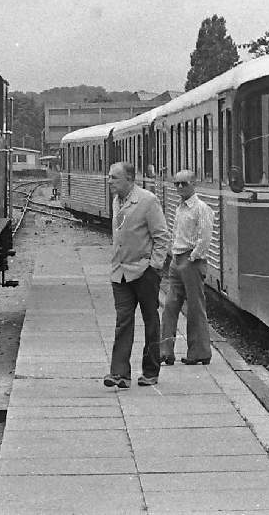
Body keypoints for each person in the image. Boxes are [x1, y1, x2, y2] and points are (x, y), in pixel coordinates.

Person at [104, 162, 169, 388]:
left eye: (114, 177)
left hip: (143, 272)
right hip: (120, 273)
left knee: (151, 321)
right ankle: (119, 373)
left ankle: (150, 371)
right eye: (110, 177)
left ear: (130, 178)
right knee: (123, 322)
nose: (109, 181)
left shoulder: (147, 201)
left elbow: (161, 237)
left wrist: (155, 266)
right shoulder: (116, 200)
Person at [160, 170, 214, 366]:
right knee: (170, 306)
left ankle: (199, 352)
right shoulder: (180, 208)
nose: (180, 187)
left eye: (184, 183)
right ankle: (165, 351)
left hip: (191, 260)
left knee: (195, 307)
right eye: (177, 184)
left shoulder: (201, 208)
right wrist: (173, 256)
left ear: (194, 184)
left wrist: (192, 258)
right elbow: (176, 233)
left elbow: (205, 237)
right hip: (177, 259)